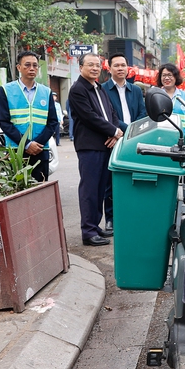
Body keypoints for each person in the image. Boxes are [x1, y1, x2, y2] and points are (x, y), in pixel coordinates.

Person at [68, 52, 123, 246]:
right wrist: (114, 131)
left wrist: (115, 132)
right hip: (89, 146)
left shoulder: (98, 88)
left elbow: (112, 113)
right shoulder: (78, 90)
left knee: (101, 189)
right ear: (81, 67)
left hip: (105, 144)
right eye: (90, 65)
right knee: (90, 189)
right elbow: (89, 117)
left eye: (97, 65)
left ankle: (95, 226)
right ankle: (88, 231)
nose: (94, 68)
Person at [102, 52, 148, 235]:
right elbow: (105, 115)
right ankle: (111, 219)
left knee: (132, 179)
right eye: (116, 65)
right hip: (113, 139)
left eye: (123, 65)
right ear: (110, 68)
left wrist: (132, 132)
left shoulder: (136, 90)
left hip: (133, 140)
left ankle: (130, 217)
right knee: (110, 181)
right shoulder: (103, 89)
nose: (120, 68)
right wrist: (123, 131)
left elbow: (143, 113)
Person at [0, 50, 59, 183]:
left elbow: (53, 122)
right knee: (17, 191)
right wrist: (26, 144)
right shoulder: (6, 90)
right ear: (19, 67)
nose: (32, 68)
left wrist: (38, 144)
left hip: (40, 150)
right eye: (27, 65)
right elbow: (4, 123)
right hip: (16, 151)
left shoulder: (46, 92)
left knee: (39, 191)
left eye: (35, 65)